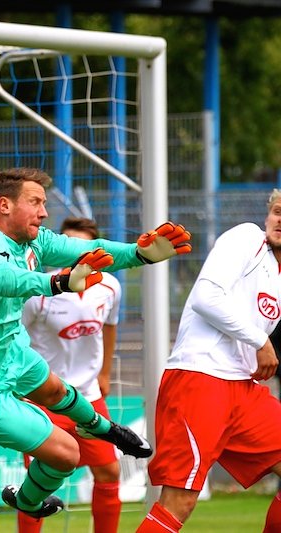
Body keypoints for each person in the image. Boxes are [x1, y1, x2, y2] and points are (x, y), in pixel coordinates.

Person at [0, 168, 191, 520]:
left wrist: (139, 254)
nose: (44, 212)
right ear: (4, 205)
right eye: (35, 202)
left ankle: (106, 430)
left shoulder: (33, 241)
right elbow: (1, 279)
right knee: (66, 455)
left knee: (54, 390)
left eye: (43, 203)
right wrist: (60, 283)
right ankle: (27, 501)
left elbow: (91, 248)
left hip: (9, 352)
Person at [135, 190, 281, 533]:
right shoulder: (247, 238)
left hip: (243, 390)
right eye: (278, 212)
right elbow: (205, 296)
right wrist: (260, 340)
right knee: (179, 503)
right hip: (199, 380)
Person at [19, 217, 122, 533]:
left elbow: (110, 326)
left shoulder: (110, 287)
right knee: (38, 484)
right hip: (44, 398)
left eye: (82, 247)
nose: (74, 253)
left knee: (110, 472)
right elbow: (14, 336)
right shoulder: (39, 290)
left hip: (88, 397)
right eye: (68, 245)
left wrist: (104, 372)